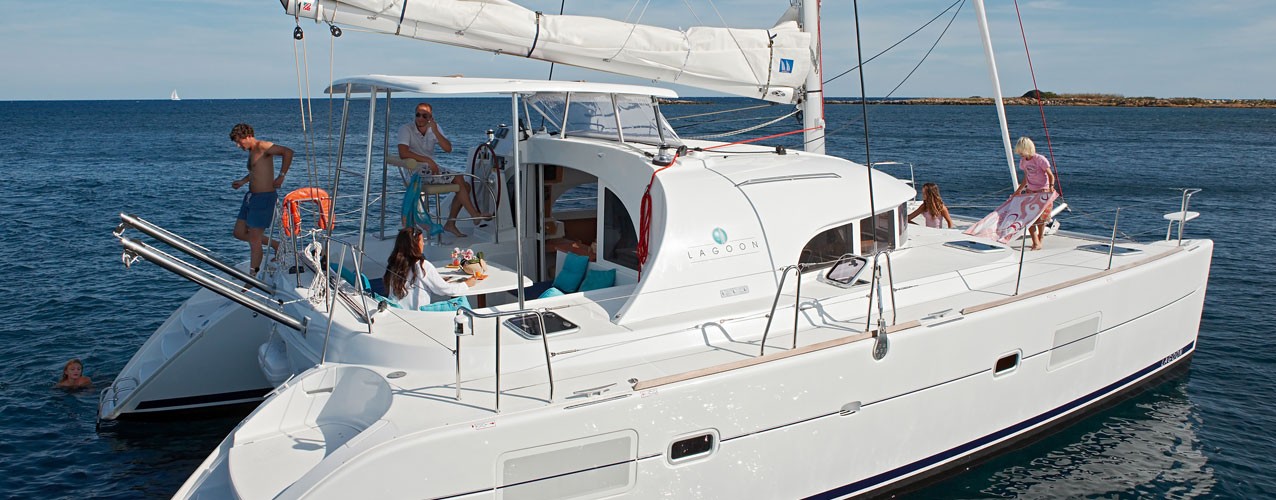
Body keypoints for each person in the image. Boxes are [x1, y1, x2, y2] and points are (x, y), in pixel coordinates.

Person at [398, 102, 491, 237]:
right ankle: (474, 215)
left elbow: (448, 149)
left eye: (424, 116)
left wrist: (435, 131)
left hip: (430, 170)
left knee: (465, 186)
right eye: (418, 114)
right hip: (416, 173)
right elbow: (403, 153)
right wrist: (428, 160)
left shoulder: (434, 128)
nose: (420, 118)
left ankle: (451, 223)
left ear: (430, 117)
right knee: (460, 179)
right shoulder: (406, 129)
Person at [229, 123, 293, 274]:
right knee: (239, 232)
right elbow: (256, 171)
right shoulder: (252, 151)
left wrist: (281, 176)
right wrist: (243, 181)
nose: (238, 146)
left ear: (248, 136)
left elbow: (288, 152)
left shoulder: (262, 146)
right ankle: (277, 245)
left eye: (239, 141)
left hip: (264, 198)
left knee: (254, 240)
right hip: (251, 197)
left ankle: (252, 276)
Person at [383, 227, 476, 310]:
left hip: (398, 312)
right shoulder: (422, 265)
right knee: (461, 304)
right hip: (418, 316)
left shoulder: (394, 264)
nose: (423, 243)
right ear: (414, 245)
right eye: (421, 240)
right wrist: (466, 284)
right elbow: (443, 289)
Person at [1012, 136, 1056, 250]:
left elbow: (1051, 175)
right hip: (1030, 191)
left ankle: (1040, 239)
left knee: (1041, 219)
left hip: (1043, 191)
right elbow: (1026, 178)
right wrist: (1018, 191)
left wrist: (1051, 187)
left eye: (1022, 151)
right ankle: (1035, 242)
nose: (1020, 154)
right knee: (1028, 218)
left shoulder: (1040, 159)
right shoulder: (1023, 161)